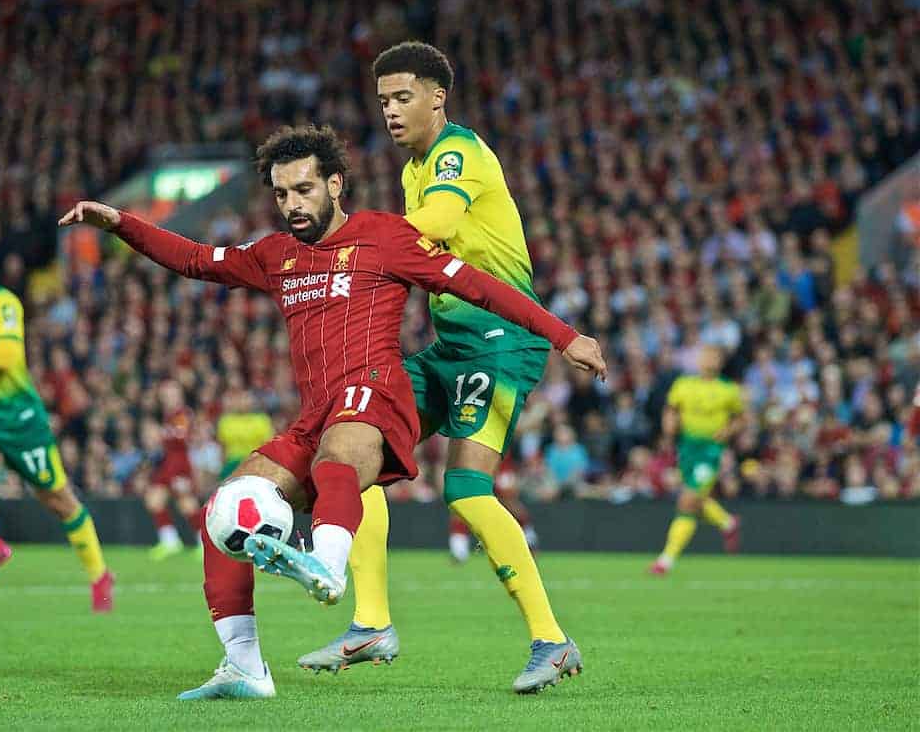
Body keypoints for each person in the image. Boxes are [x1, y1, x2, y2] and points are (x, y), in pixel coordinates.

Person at [59, 124, 606, 700]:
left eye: (303, 190)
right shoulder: (275, 255)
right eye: (281, 194)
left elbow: (478, 287)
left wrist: (563, 336)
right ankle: (245, 666)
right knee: (225, 510)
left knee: (342, 456)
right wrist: (120, 223)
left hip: (374, 394)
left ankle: (327, 564)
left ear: (336, 184)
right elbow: (195, 259)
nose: (292, 204)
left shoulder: (386, 238)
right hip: (318, 413)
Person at [300, 41, 581, 694]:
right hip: (451, 344)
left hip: (502, 340)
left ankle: (553, 640)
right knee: (359, 448)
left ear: (436, 98)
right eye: (383, 102)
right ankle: (370, 623)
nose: (392, 112)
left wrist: (353, 240)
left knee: (467, 489)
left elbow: (439, 222)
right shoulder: (411, 170)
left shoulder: (459, 153)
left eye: (403, 98)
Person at [0, 235, 114, 611]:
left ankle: (99, 574)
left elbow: (7, 356)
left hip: (18, 416)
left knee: (58, 500)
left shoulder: (3, 303)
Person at [649, 345, 744, 575]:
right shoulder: (684, 385)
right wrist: (669, 425)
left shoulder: (728, 389)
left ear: (721, 362)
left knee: (687, 500)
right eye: (706, 355)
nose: (709, 359)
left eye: (714, 355)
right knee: (696, 498)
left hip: (710, 451)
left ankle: (665, 560)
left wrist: (729, 430)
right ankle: (727, 523)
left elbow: (741, 419)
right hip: (687, 449)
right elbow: (671, 409)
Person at [145, 381, 206, 560]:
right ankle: (170, 542)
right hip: (168, 463)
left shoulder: (183, 413)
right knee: (154, 499)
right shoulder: (168, 415)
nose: (167, 397)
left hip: (180, 464)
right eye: (165, 395)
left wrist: (161, 434)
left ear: (179, 395)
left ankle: (204, 542)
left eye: (171, 394)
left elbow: (182, 436)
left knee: (186, 503)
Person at [215, 389, 275, 481]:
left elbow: (268, 447)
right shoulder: (225, 421)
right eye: (240, 399)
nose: (243, 402)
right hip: (232, 464)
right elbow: (222, 448)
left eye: (246, 398)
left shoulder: (262, 420)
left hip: (255, 464)